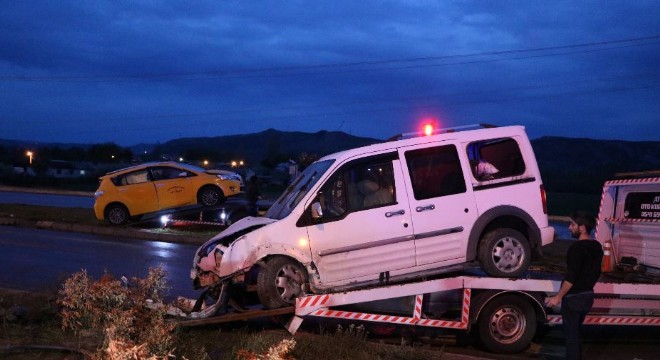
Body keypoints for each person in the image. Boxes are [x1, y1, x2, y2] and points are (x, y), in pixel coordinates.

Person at [545, 211, 604, 360]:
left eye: (572, 224)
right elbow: (597, 272)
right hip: (587, 297)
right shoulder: (597, 247)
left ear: (582, 228)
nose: (569, 227)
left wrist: (557, 297)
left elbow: (570, 278)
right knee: (576, 333)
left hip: (574, 299)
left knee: (571, 337)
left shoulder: (576, 249)